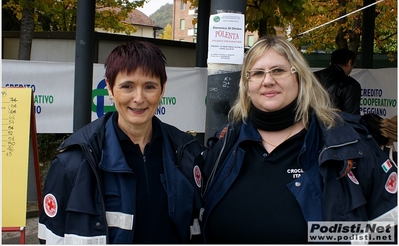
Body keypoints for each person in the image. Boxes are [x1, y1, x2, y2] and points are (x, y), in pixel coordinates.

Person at [200, 36, 397, 243]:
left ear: (300, 78)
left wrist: (342, 236)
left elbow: (390, 228)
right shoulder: (224, 144)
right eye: (257, 73)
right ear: (246, 86)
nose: (268, 80)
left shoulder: (349, 146)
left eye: (279, 70)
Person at [38, 40, 205, 244]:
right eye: (127, 86)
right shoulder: (74, 163)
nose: (139, 98)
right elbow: (51, 239)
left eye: (149, 86)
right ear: (109, 88)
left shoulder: (187, 154)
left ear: (162, 89)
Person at [314, 48, 361, 114]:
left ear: (331, 62)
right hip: (336, 123)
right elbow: (352, 118)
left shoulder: (311, 78)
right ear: (350, 62)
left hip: (307, 123)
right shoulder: (350, 85)